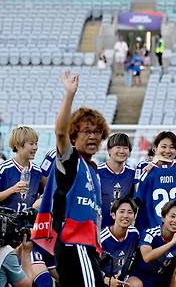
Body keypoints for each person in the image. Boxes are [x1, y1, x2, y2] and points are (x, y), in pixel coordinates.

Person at [31, 71, 108, 287]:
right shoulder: (71, 160)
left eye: (97, 132)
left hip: (85, 246)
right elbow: (60, 133)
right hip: (75, 244)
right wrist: (69, 95)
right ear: (74, 136)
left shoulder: (93, 170)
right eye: (86, 131)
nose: (93, 136)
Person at [134, 131, 176, 231]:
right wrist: (150, 168)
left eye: (172, 147)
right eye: (164, 147)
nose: (168, 150)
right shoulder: (144, 167)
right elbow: (138, 195)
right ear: (155, 149)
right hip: (152, 229)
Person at [127, 200, 176, 287]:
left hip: (164, 281)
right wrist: (172, 242)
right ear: (163, 217)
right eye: (172, 216)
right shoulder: (150, 233)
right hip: (142, 278)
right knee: (134, 284)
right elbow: (147, 257)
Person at [100, 197, 140, 287]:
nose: (125, 215)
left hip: (121, 280)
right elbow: (90, 265)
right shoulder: (101, 238)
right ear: (113, 215)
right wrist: (106, 280)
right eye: (121, 211)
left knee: (136, 283)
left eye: (130, 212)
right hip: (103, 280)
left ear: (134, 216)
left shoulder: (134, 234)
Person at [98, 133, 135, 227]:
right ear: (109, 150)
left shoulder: (132, 174)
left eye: (125, 148)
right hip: (98, 228)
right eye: (118, 147)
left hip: (120, 230)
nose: (122, 151)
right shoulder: (97, 172)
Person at [0, 126, 42, 211]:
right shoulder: (4, 169)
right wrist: (13, 189)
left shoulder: (38, 171)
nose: (35, 147)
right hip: (5, 222)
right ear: (18, 145)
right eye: (31, 143)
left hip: (28, 223)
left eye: (36, 143)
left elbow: (39, 196)